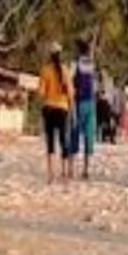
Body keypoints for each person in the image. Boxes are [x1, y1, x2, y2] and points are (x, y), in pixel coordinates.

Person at [38, 43, 72, 184]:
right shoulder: (66, 70)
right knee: (63, 140)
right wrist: (70, 106)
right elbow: (70, 92)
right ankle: (64, 173)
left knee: (50, 141)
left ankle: (51, 174)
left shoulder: (45, 70)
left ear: (50, 55)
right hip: (62, 108)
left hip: (49, 108)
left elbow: (41, 92)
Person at [68, 40, 97, 179]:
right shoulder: (91, 63)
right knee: (88, 137)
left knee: (74, 134)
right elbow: (93, 84)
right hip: (90, 102)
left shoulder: (75, 63)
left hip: (79, 102)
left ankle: (71, 169)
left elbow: (69, 82)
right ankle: (86, 170)